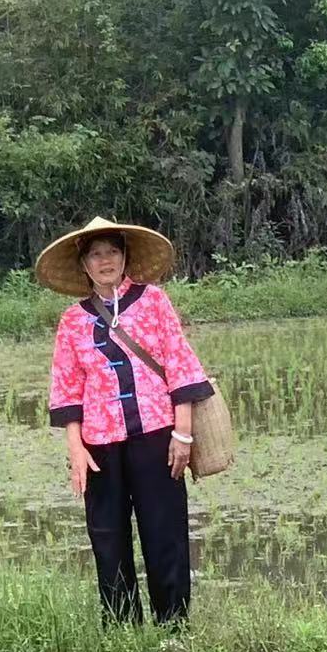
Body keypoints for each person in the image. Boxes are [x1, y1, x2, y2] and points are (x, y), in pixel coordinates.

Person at [40, 217, 214, 624]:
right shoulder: (73, 320)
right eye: (96, 254)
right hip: (100, 444)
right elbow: (67, 386)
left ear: (125, 257)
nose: (105, 261)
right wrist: (76, 449)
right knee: (107, 537)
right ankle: (122, 629)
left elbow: (179, 364)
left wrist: (183, 434)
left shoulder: (153, 301)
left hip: (157, 435)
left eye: (113, 252)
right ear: (84, 264)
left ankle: (173, 625)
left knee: (165, 532)